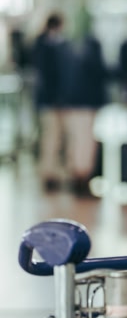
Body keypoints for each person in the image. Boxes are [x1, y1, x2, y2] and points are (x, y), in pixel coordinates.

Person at [62, 33, 109, 194]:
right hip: (85, 106)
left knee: (76, 141)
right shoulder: (92, 61)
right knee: (85, 143)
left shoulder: (75, 59)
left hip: (72, 105)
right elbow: (104, 74)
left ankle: (76, 176)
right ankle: (82, 178)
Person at [32, 12, 71, 191]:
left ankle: (53, 172)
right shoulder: (45, 45)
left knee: (56, 137)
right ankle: (48, 173)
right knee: (51, 136)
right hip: (50, 100)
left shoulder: (48, 43)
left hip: (52, 100)